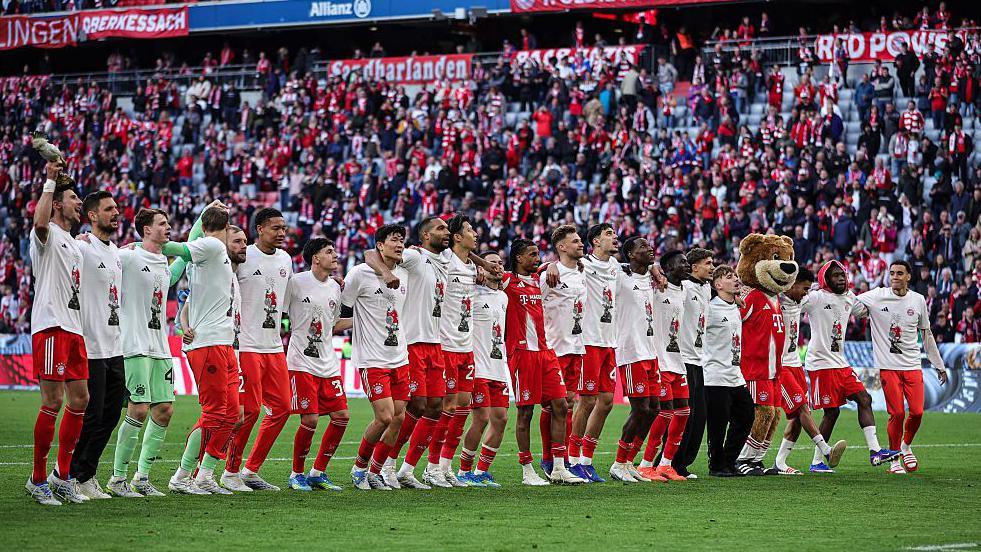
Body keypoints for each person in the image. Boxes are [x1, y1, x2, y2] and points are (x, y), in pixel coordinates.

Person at [26, 161, 91, 506]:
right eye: (74, 198)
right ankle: (37, 480)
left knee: (80, 401)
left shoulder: (73, 242)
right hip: (52, 326)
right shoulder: (47, 236)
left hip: (75, 329)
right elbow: (39, 222)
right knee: (52, 402)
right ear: (57, 205)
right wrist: (50, 180)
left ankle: (62, 475)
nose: (79, 202)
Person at [369, 217, 449, 490]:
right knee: (414, 406)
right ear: (425, 235)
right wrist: (387, 273)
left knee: (436, 407)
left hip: (435, 342)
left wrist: (483, 264)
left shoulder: (444, 260)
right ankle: (385, 465)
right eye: (440, 228)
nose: (446, 232)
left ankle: (407, 469)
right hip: (413, 342)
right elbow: (371, 253)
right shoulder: (415, 256)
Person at [105, 209, 181, 497]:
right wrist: (85, 241)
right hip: (134, 345)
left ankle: (142, 477)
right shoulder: (128, 256)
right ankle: (117, 479)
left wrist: (205, 217)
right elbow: (102, 259)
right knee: (138, 408)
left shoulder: (163, 263)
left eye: (168, 223)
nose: (168, 227)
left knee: (165, 410)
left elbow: (184, 258)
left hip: (160, 346)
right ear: (146, 229)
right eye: (162, 224)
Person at [167, 203, 240, 495]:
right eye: (238, 238)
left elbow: (190, 298)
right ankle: (182, 476)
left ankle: (205, 475)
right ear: (224, 227)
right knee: (213, 413)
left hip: (223, 342)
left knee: (232, 413)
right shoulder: (211, 246)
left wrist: (183, 321)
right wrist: (150, 243)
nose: (242, 244)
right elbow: (181, 250)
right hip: (208, 343)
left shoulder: (217, 258)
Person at [801, 260, 900, 468]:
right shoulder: (816, 297)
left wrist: (889, 301)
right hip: (820, 364)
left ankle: (875, 452)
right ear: (825, 278)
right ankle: (817, 461)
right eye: (835, 275)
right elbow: (793, 303)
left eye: (842, 275)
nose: (840, 278)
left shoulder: (848, 298)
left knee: (865, 399)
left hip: (840, 363)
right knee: (832, 412)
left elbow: (865, 311)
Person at [853, 260, 948, 474]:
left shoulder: (918, 300)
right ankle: (895, 458)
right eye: (892, 273)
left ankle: (905, 447)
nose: (895, 277)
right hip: (888, 366)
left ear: (908, 277)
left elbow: (927, 334)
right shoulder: (877, 295)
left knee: (917, 412)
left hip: (913, 365)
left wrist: (939, 365)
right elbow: (851, 303)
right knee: (896, 413)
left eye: (899, 273)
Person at [503, 239, 584, 485]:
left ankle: (558, 467)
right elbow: (489, 270)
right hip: (522, 353)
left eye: (539, 254)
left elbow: (557, 266)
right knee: (526, 411)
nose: (537, 258)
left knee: (560, 405)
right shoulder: (508, 281)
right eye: (532, 254)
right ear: (518, 257)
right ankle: (527, 469)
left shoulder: (540, 280)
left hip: (546, 351)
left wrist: (551, 265)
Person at [224, 208, 294, 492]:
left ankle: (251, 470)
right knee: (249, 411)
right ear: (260, 228)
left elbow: (286, 301)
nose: (281, 233)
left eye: (284, 228)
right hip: (247, 345)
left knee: (283, 408)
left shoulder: (286, 259)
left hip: (274, 346)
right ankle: (230, 472)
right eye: (275, 228)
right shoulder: (243, 256)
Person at [343, 224, 410, 490]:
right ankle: (359, 468)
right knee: (384, 416)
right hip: (372, 358)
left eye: (402, 240)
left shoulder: (406, 273)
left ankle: (376, 471)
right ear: (379, 245)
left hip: (400, 356)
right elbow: (341, 306)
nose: (399, 244)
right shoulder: (360, 273)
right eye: (394, 240)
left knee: (399, 418)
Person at [285, 239, 352, 491]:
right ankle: (296, 474)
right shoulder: (295, 282)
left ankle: (318, 472)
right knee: (310, 420)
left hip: (328, 363)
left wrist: (361, 319)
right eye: (329, 252)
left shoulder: (335, 287)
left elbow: (332, 325)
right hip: (301, 362)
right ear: (315, 258)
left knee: (342, 417)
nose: (335, 255)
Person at [71, 191, 125, 500]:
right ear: (92, 215)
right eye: (108, 209)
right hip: (91, 346)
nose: (116, 213)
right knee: (91, 416)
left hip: (114, 345)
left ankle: (86, 473)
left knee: (110, 415)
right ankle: (70, 473)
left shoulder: (115, 251)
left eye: (116, 208)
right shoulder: (83, 247)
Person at [771, 268, 848, 475]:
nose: (806, 294)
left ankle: (779, 462)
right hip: (781, 365)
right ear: (792, 284)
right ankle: (826, 450)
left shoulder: (798, 301)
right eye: (804, 289)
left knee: (797, 416)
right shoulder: (776, 300)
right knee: (802, 407)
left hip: (796, 363)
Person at [431, 215, 479, 486]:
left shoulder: (472, 266)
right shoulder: (444, 260)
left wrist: (481, 264)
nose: (475, 234)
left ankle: (446, 466)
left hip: (466, 346)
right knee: (446, 408)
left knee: (462, 408)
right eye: (470, 230)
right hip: (446, 345)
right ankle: (432, 467)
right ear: (457, 237)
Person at [456, 252, 510, 487]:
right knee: (481, 417)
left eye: (500, 263)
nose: (498, 266)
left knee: (501, 419)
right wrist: (475, 272)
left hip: (499, 366)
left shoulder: (504, 297)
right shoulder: (474, 293)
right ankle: (463, 471)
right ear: (483, 268)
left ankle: (481, 471)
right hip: (478, 367)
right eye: (492, 263)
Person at [608, 237, 659, 483]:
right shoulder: (620, 276)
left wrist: (656, 268)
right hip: (631, 352)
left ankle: (629, 461)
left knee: (654, 409)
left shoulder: (652, 277)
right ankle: (618, 462)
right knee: (640, 409)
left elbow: (660, 267)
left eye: (650, 246)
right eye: (643, 247)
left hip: (651, 352)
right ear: (629, 254)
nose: (649, 249)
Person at [638, 250, 690, 482]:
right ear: (668, 267)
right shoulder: (656, 287)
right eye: (682, 262)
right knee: (665, 413)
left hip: (678, 360)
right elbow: (643, 268)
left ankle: (666, 464)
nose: (687, 265)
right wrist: (655, 269)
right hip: (659, 359)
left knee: (684, 412)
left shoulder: (685, 289)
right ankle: (646, 464)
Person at [539, 225, 586, 479]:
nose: (581, 244)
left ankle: (562, 458)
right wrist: (547, 266)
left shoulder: (582, 272)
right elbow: (534, 300)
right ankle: (550, 460)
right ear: (561, 247)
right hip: (554, 348)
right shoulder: (549, 275)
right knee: (554, 406)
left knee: (568, 404)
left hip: (576, 348)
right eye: (575, 241)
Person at [702, 265, 754, 477]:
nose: (735, 279)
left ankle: (729, 460)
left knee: (746, 416)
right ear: (718, 284)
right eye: (728, 277)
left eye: (735, 276)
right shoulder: (710, 308)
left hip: (735, 375)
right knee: (718, 424)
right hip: (714, 375)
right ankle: (716, 465)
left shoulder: (736, 307)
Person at [672, 247, 713, 478]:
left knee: (699, 417)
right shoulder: (684, 287)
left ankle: (682, 463)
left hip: (699, 359)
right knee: (684, 415)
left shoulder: (706, 288)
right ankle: (667, 461)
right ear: (694, 267)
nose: (712, 267)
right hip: (683, 358)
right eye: (708, 263)